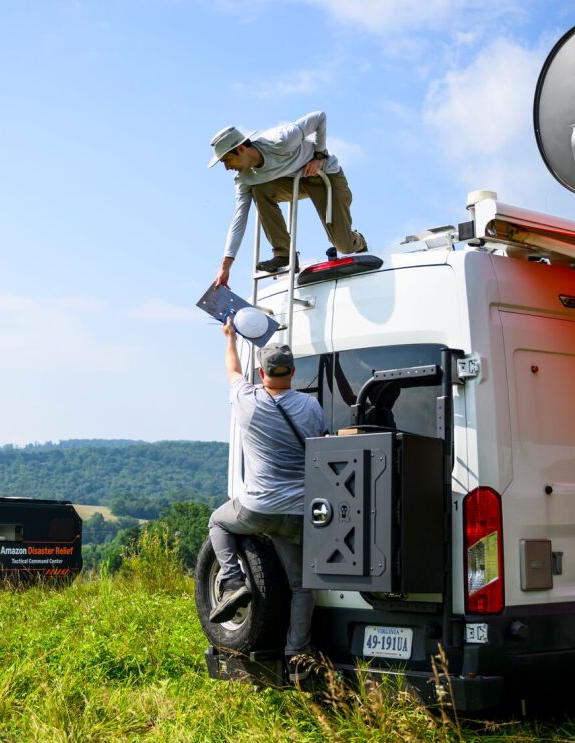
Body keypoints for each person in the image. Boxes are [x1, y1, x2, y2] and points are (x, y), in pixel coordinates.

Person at [208, 319, 326, 678]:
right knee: (301, 585)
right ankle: (297, 652)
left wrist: (229, 338)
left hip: (257, 508)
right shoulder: (311, 407)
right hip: (298, 513)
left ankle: (231, 581)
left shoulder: (248, 400)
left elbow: (232, 368)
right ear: (292, 371)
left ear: (262, 372)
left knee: (217, 521)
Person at [208, 110, 366, 287]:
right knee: (259, 189)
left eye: (227, 161)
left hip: (325, 176)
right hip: (294, 182)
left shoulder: (281, 139)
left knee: (344, 246)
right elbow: (239, 219)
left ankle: (358, 240)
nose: (227, 168)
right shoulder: (244, 179)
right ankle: (283, 254)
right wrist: (225, 266)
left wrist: (319, 156)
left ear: (241, 149)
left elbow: (320, 117)